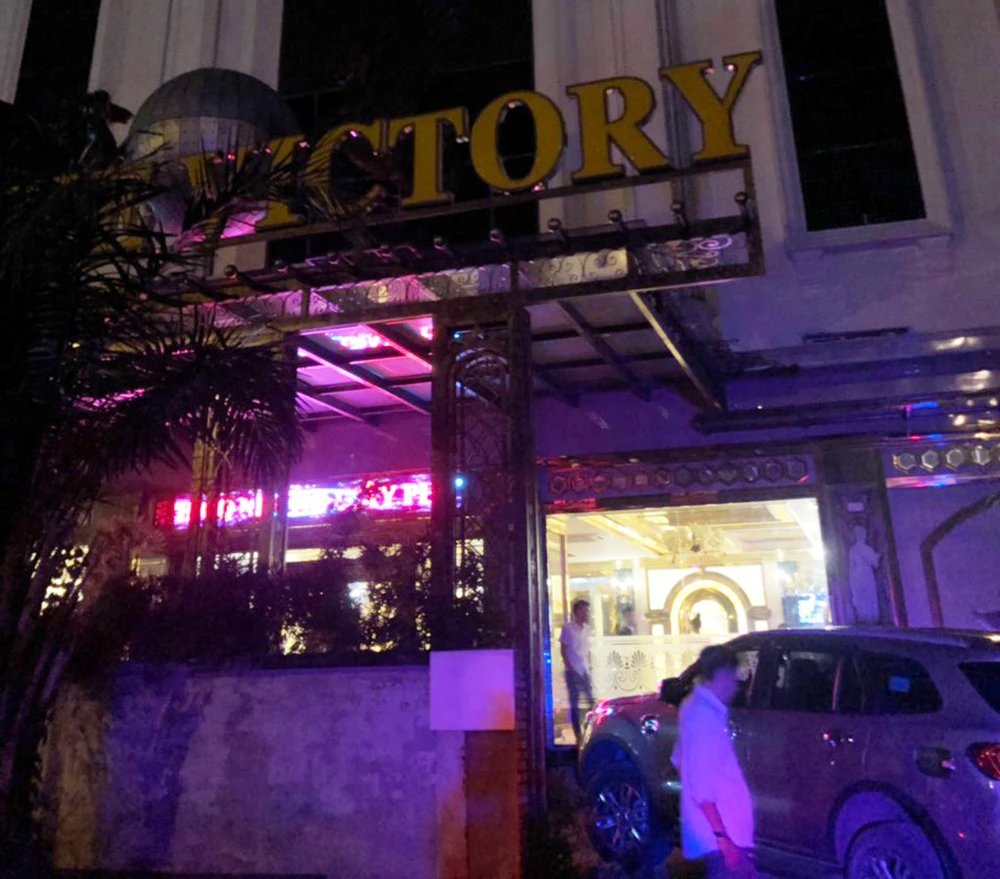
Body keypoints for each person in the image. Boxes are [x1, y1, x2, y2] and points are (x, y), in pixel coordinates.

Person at [670, 645, 757, 878]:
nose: (736, 686)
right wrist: (722, 837)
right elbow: (702, 788)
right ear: (721, 675)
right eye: (734, 678)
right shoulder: (705, 717)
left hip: (717, 835)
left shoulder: (692, 706)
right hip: (724, 837)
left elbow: (680, 761)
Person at [560, 598, 594, 743]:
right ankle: (578, 734)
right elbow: (563, 650)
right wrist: (569, 667)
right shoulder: (568, 629)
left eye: (587, 611)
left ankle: (590, 730)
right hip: (573, 670)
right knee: (575, 704)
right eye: (584, 611)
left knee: (590, 701)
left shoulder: (587, 629)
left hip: (584, 669)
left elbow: (587, 649)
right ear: (577, 612)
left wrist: (590, 665)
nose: (587, 614)